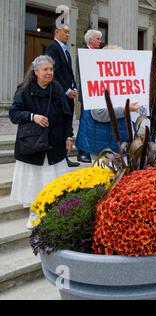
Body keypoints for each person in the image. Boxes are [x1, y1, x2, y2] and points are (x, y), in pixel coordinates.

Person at [9, 55, 74, 229]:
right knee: (33, 182)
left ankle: (53, 213)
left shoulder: (57, 89)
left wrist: (69, 136)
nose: (49, 72)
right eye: (45, 69)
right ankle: (33, 213)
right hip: (32, 146)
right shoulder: (23, 89)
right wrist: (32, 117)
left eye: (51, 69)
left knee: (53, 182)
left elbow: (67, 116)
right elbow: (14, 115)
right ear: (36, 71)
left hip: (55, 144)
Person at [75, 45, 139, 159]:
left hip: (118, 142)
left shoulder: (123, 80)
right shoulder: (97, 80)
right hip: (103, 146)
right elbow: (98, 114)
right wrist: (125, 109)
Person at [44, 24, 79, 168]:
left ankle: (65, 155)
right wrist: (66, 90)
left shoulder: (66, 51)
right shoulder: (53, 47)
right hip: (60, 94)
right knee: (62, 123)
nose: (68, 35)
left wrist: (74, 87)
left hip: (68, 94)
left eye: (69, 32)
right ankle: (61, 156)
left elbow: (69, 73)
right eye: (65, 32)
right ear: (57, 32)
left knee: (67, 122)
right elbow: (55, 72)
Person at [76, 29, 103, 163]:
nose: (100, 41)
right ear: (90, 40)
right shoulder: (84, 53)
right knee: (85, 122)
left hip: (98, 94)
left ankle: (91, 149)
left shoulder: (99, 54)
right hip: (88, 93)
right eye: (98, 39)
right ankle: (82, 151)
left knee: (93, 123)